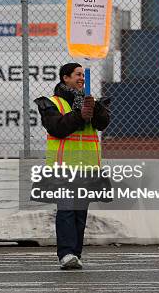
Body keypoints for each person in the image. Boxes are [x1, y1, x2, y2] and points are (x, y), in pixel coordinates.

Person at [34, 63, 110, 270]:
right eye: (77, 75)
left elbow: (103, 123)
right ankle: (66, 254)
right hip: (63, 168)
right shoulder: (50, 103)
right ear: (65, 77)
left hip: (87, 168)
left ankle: (75, 254)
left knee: (80, 213)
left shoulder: (88, 100)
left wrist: (92, 108)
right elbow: (57, 128)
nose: (81, 78)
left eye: (82, 76)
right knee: (66, 210)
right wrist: (79, 113)